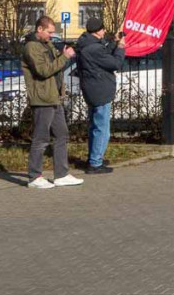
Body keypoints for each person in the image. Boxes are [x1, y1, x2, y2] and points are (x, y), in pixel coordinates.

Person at [23, 15, 81, 189]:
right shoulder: (32, 47)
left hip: (54, 97)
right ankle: (34, 176)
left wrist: (65, 53)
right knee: (41, 138)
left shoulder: (46, 45)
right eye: (49, 32)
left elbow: (57, 62)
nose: (51, 36)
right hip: (42, 99)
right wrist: (64, 58)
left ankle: (61, 175)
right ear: (39, 29)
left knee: (62, 134)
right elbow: (43, 70)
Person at [75, 17, 125, 174]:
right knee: (102, 129)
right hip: (100, 90)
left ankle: (94, 157)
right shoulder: (94, 49)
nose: (105, 31)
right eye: (103, 29)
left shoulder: (87, 43)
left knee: (95, 126)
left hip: (92, 89)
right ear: (97, 31)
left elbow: (103, 53)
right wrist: (121, 47)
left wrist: (114, 42)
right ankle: (95, 163)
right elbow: (115, 63)